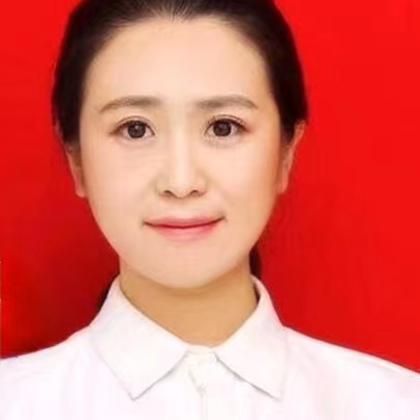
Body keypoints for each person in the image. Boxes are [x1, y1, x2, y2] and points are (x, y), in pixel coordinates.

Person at [1, 0, 419, 418]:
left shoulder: (395, 405)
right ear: (76, 159)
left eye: (223, 127)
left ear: (286, 153)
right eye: (135, 129)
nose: (181, 182)